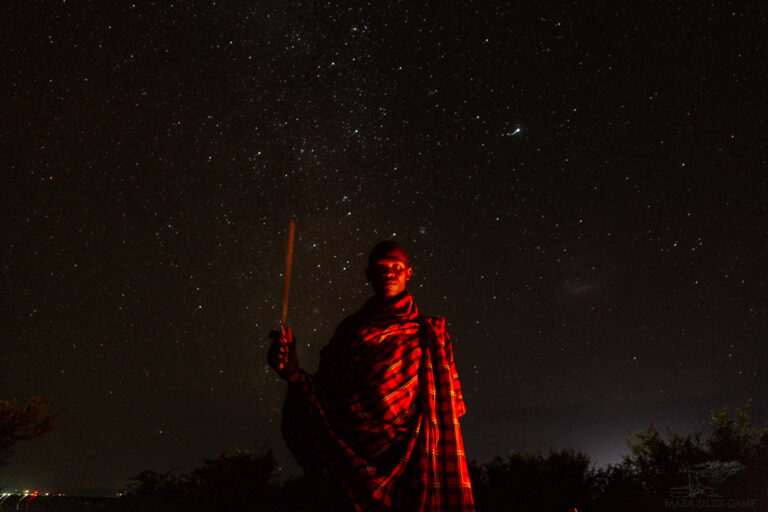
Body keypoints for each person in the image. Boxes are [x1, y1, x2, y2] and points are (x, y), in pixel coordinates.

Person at [268, 241, 475, 512]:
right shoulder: (349, 331)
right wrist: (292, 373)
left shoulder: (431, 333)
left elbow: (449, 408)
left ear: (408, 273)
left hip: (416, 458)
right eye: (381, 268)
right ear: (368, 275)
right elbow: (324, 395)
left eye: (396, 267)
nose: (389, 273)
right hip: (356, 459)